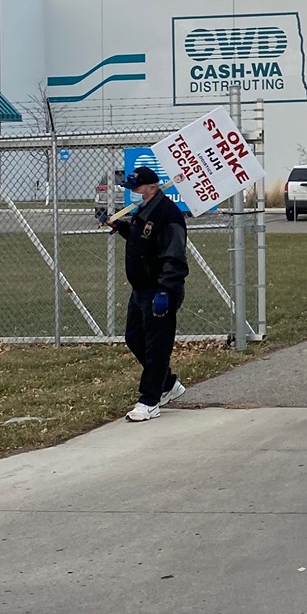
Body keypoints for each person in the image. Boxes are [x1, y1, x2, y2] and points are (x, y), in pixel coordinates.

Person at [115, 166, 189, 422]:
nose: (132, 192)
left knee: (157, 347)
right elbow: (143, 241)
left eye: (136, 188)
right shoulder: (143, 212)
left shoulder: (168, 215)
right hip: (140, 290)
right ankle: (167, 384)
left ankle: (149, 401)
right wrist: (123, 227)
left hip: (160, 290)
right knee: (134, 338)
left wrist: (166, 290)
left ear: (152, 187)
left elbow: (173, 255)